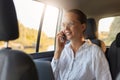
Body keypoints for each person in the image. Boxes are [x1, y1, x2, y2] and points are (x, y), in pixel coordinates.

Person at [51, 9, 112, 80]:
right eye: (63, 25)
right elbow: (51, 76)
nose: (66, 28)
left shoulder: (95, 52)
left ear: (83, 27)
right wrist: (58, 51)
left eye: (70, 24)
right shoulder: (62, 51)